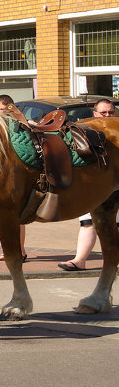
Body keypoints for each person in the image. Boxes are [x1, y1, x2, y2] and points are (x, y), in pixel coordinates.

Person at [59, 98, 117, 271]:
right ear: (95, 114)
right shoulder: (85, 132)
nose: (107, 115)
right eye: (103, 112)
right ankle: (79, 260)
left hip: (114, 182)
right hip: (95, 184)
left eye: (111, 112)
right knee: (87, 222)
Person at [0, 95, 29, 262]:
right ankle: (14, 250)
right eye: (1, 110)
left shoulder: (18, 124)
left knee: (16, 217)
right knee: (5, 218)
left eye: (8, 110)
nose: (5, 113)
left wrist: (20, 118)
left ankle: (19, 251)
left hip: (14, 177)